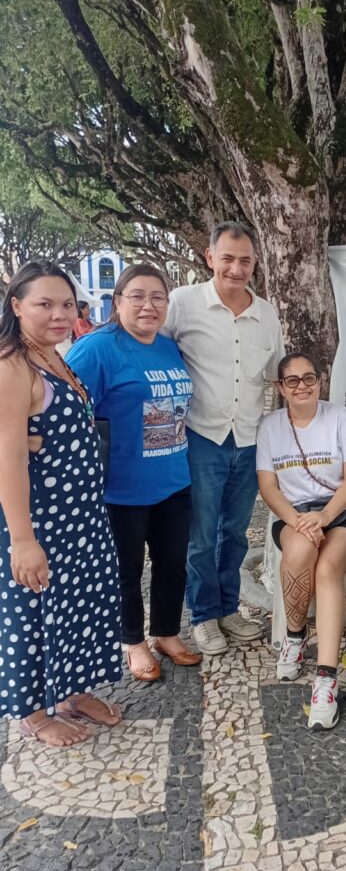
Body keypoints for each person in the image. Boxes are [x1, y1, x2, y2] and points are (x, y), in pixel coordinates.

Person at [0, 260, 122, 745]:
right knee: (32, 614)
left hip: (81, 515)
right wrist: (23, 540)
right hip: (41, 520)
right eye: (44, 304)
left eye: (66, 304)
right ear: (16, 306)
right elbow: (8, 457)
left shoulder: (54, 354)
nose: (58, 314)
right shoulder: (13, 364)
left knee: (77, 606)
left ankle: (70, 692)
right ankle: (33, 713)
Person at [68, 264, 199, 682]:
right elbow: (68, 414)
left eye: (158, 297)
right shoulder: (96, 349)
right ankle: (133, 642)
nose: (148, 305)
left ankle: (166, 632)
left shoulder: (166, 346)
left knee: (173, 563)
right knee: (126, 571)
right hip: (119, 489)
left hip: (174, 480)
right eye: (137, 296)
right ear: (117, 302)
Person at [164, 222, 284, 655]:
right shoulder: (182, 304)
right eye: (228, 258)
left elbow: (276, 373)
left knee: (234, 532)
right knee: (201, 533)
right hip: (200, 436)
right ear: (210, 256)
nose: (236, 268)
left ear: (254, 263)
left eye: (245, 260)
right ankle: (203, 616)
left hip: (250, 438)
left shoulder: (266, 314)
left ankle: (228, 607)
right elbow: (153, 350)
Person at [256, 353, 346, 729]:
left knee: (327, 568)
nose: (302, 386)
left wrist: (323, 517)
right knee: (302, 549)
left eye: (310, 378)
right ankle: (295, 635)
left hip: (343, 513)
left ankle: (325, 679)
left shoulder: (338, 417)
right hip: (293, 514)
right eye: (293, 381)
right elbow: (268, 487)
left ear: (321, 381)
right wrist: (301, 523)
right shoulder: (270, 426)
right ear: (280, 388)